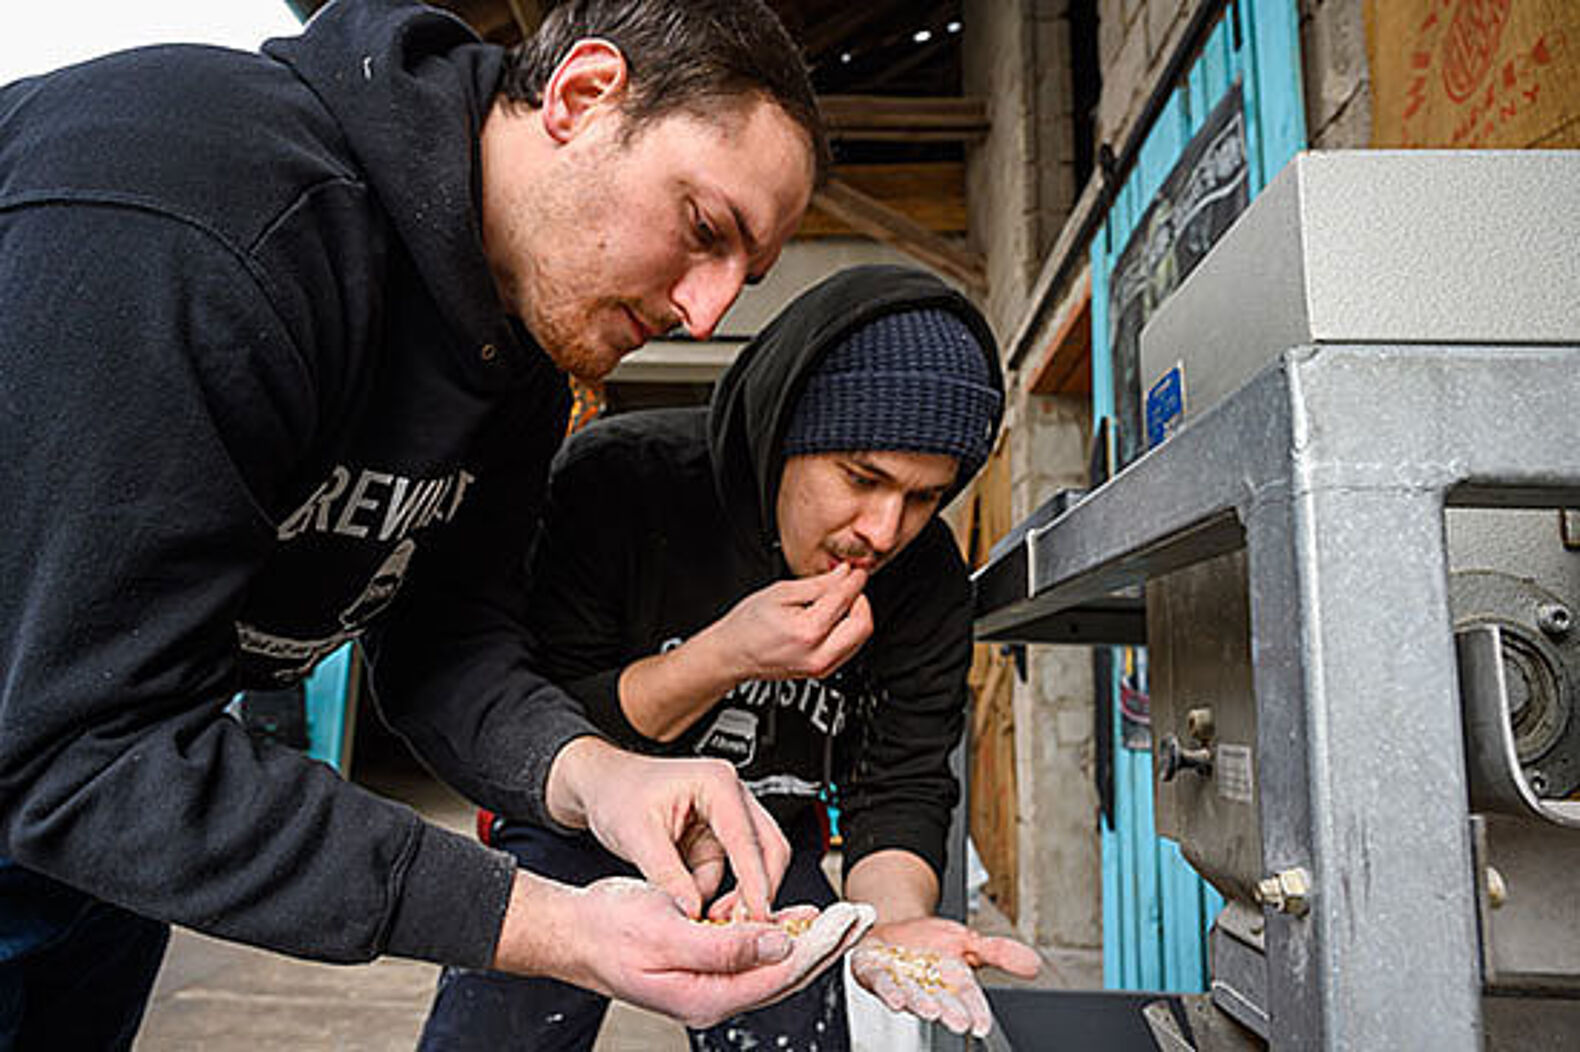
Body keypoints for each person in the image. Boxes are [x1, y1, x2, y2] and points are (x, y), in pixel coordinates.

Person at [0, 0, 857, 1045]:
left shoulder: (519, 357)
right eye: (703, 229)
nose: (709, 310)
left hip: (101, 839)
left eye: (745, 273)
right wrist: (548, 923)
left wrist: (596, 772)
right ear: (584, 97)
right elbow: (76, 738)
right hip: (66, 767)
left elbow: (446, 637)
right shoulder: (197, 215)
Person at [419, 265, 1043, 1051]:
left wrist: (897, 921)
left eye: (924, 498)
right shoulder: (621, 482)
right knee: (501, 1033)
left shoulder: (924, 581)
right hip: (576, 827)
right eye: (862, 478)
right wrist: (729, 655)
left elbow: (900, 787)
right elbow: (541, 720)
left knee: (795, 1031)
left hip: (768, 845)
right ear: (785, 435)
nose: (884, 530)